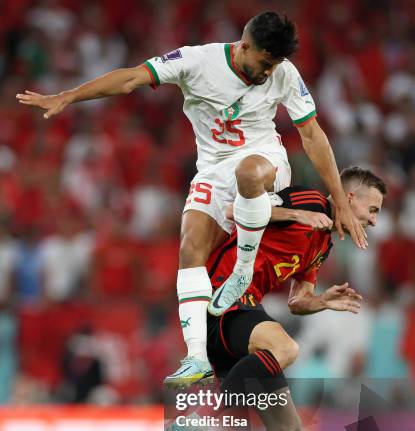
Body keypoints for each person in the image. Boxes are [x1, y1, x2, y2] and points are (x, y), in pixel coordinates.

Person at [17, 12, 367, 388]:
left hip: (265, 159)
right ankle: (197, 356)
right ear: (244, 45)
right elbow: (131, 78)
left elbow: (312, 135)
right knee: (190, 248)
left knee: (247, 172)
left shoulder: (284, 72)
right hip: (213, 170)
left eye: (275, 65)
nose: (269, 73)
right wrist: (70, 96)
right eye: (264, 63)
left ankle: (241, 273)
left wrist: (340, 201)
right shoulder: (196, 61)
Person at [166, 166, 386, 431]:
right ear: (349, 198)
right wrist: (299, 215)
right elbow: (236, 208)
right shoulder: (310, 202)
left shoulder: (322, 243)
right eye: (371, 209)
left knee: (286, 428)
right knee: (285, 347)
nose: (374, 220)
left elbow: (298, 300)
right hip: (219, 297)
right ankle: (195, 421)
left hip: (244, 317)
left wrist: (322, 301)